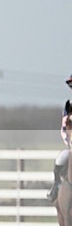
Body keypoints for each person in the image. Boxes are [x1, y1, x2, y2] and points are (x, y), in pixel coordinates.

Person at [46, 73, 72, 202]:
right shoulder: (68, 106)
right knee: (60, 159)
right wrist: (68, 142)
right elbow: (64, 128)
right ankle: (55, 187)